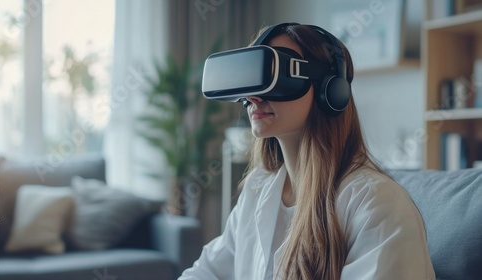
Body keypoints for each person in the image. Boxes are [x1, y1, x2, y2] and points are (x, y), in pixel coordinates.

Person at [179, 23, 435, 280]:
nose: (254, 97)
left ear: (332, 91)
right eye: (255, 79)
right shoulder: (258, 189)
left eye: (276, 77)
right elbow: (207, 272)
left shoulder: (375, 203)